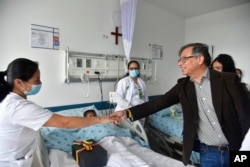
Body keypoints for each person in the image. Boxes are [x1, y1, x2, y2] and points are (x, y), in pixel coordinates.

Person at [112, 43, 250, 167]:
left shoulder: (228, 81)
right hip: (208, 152)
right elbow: (158, 103)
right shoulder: (183, 86)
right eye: (180, 60)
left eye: (184, 59)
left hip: (236, 147)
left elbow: (245, 116)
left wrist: (243, 148)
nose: (180, 63)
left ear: (200, 59)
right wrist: (127, 112)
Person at [0, 58, 119, 167]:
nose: (40, 83)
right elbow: (65, 123)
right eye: (36, 80)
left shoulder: (9, 99)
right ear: (19, 83)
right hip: (10, 161)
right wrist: (103, 119)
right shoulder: (18, 107)